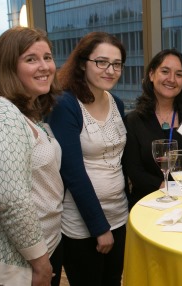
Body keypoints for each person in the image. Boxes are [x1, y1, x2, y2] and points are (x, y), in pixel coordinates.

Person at [0, 27, 64, 286]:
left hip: (33, 256)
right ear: (7, 68)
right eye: (31, 59)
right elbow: (7, 198)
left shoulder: (26, 113)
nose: (44, 66)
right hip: (9, 267)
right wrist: (40, 263)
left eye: (47, 57)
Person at [48, 32, 128, 285]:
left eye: (116, 64)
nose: (110, 70)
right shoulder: (66, 104)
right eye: (101, 62)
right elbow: (72, 172)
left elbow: (119, 160)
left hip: (119, 214)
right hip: (84, 224)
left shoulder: (116, 102)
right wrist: (99, 228)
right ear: (83, 63)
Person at [123, 49, 182, 207]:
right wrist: (167, 188)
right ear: (151, 75)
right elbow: (134, 171)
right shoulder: (134, 120)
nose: (171, 79)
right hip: (150, 203)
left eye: (179, 74)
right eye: (165, 71)